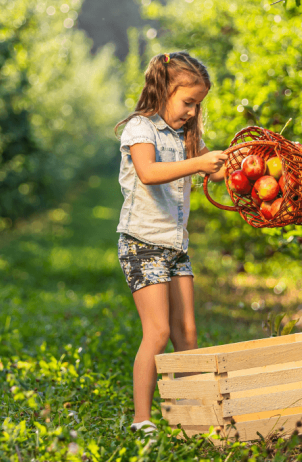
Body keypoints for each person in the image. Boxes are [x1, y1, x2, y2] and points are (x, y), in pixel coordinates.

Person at [114, 51, 227, 434]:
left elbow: (211, 175)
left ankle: (190, 413)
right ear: (164, 89)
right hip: (142, 243)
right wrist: (198, 163)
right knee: (158, 331)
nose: (193, 112)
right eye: (188, 102)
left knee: (187, 332)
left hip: (176, 245)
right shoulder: (140, 129)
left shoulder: (185, 135)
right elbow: (148, 172)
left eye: (198, 105)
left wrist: (229, 167)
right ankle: (142, 420)